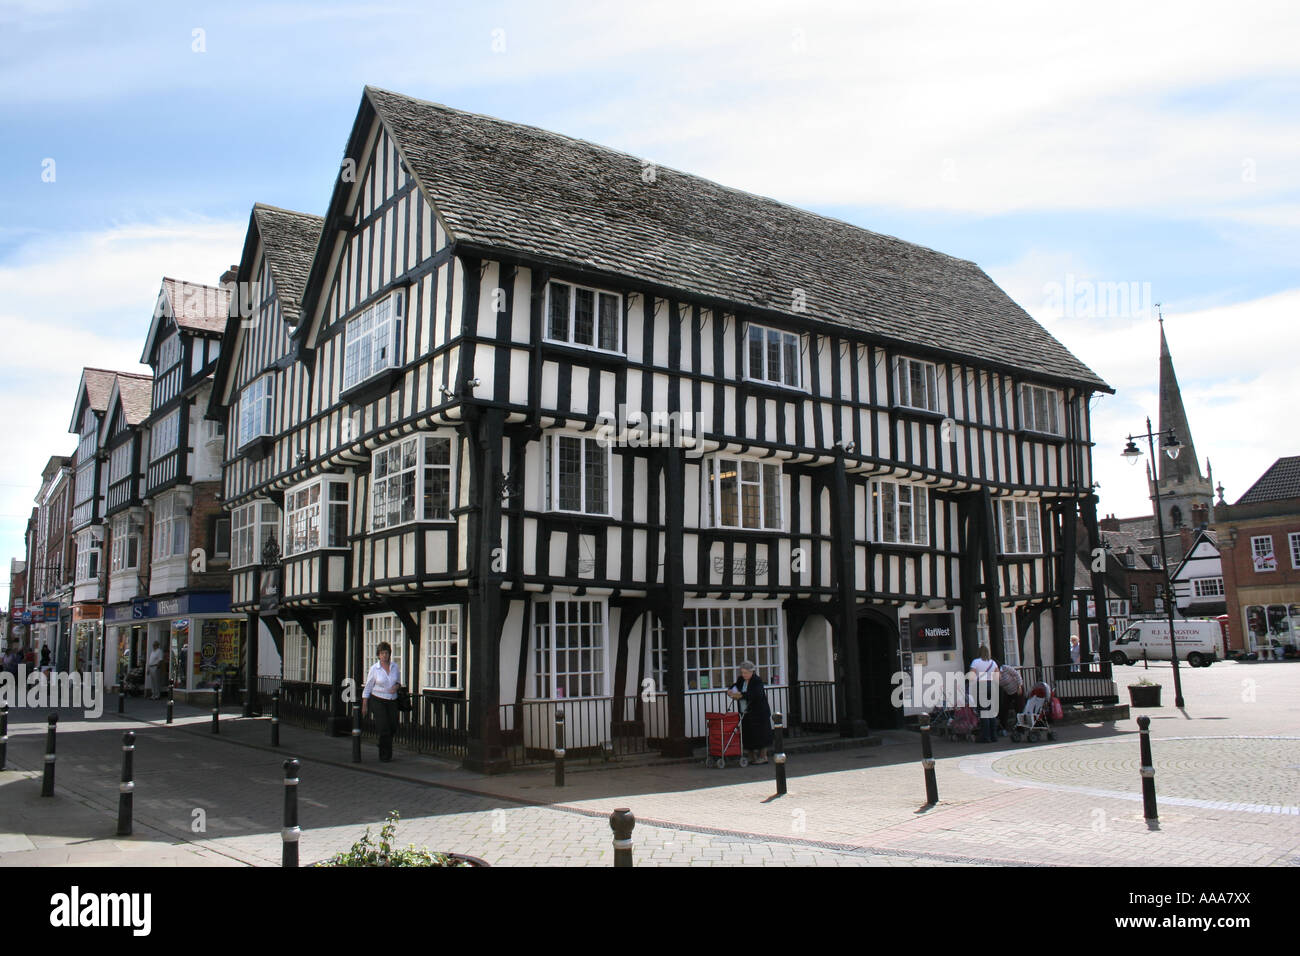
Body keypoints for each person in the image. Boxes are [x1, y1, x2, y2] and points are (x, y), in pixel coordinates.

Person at [726, 660, 773, 764]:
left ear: (752, 672)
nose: (744, 675)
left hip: (758, 712)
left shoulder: (757, 681)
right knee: (748, 735)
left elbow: (756, 695)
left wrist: (741, 695)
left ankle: (763, 757)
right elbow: (735, 687)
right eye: (742, 672)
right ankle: (752, 757)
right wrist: (730, 691)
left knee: (761, 735)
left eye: (746, 673)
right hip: (745, 712)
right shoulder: (741, 680)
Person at [362, 641, 401, 762]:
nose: (384, 655)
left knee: (393, 726)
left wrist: (397, 686)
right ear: (378, 655)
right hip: (378, 699)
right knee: (384, 727)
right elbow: (368, 686)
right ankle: (385, 755)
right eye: (382, 653)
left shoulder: (395, 667)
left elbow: (398, 682)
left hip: (392, 700)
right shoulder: (374, 669)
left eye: (386, 653)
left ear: (389, 654)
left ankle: (383, 745)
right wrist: (365, 704)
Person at [968, 645, 1000, 743]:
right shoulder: (993, 663)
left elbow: (971, 676)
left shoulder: (976, 662)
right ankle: (994, 736)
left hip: (981, 686)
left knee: (984, 712)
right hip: (992, 686)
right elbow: (998, 676)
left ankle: (986, 737)